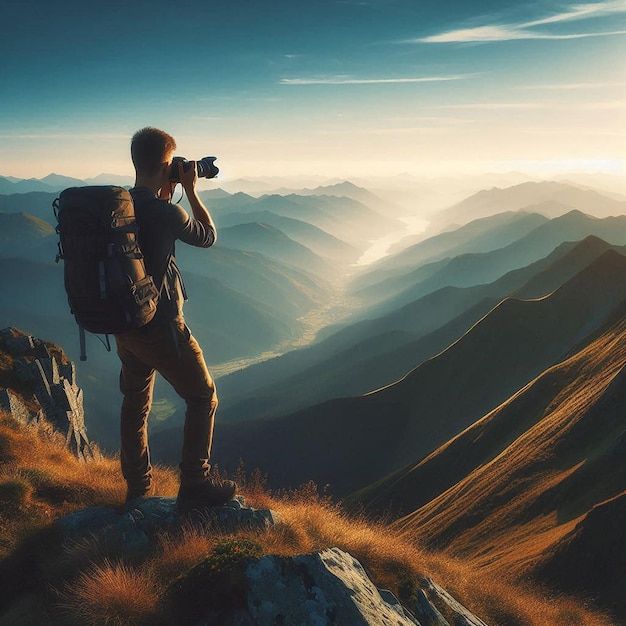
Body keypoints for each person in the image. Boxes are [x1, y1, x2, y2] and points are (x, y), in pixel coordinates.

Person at [114, 126, 236, 508]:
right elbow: (208, 235)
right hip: (163, 326)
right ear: (168, 166)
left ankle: (137, 489)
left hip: (125, 324)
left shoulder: (118, 206)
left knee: (135, 403)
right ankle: (195, 485)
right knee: (203, 397)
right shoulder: (166, 212)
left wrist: (170, 188)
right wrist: (193, 191)